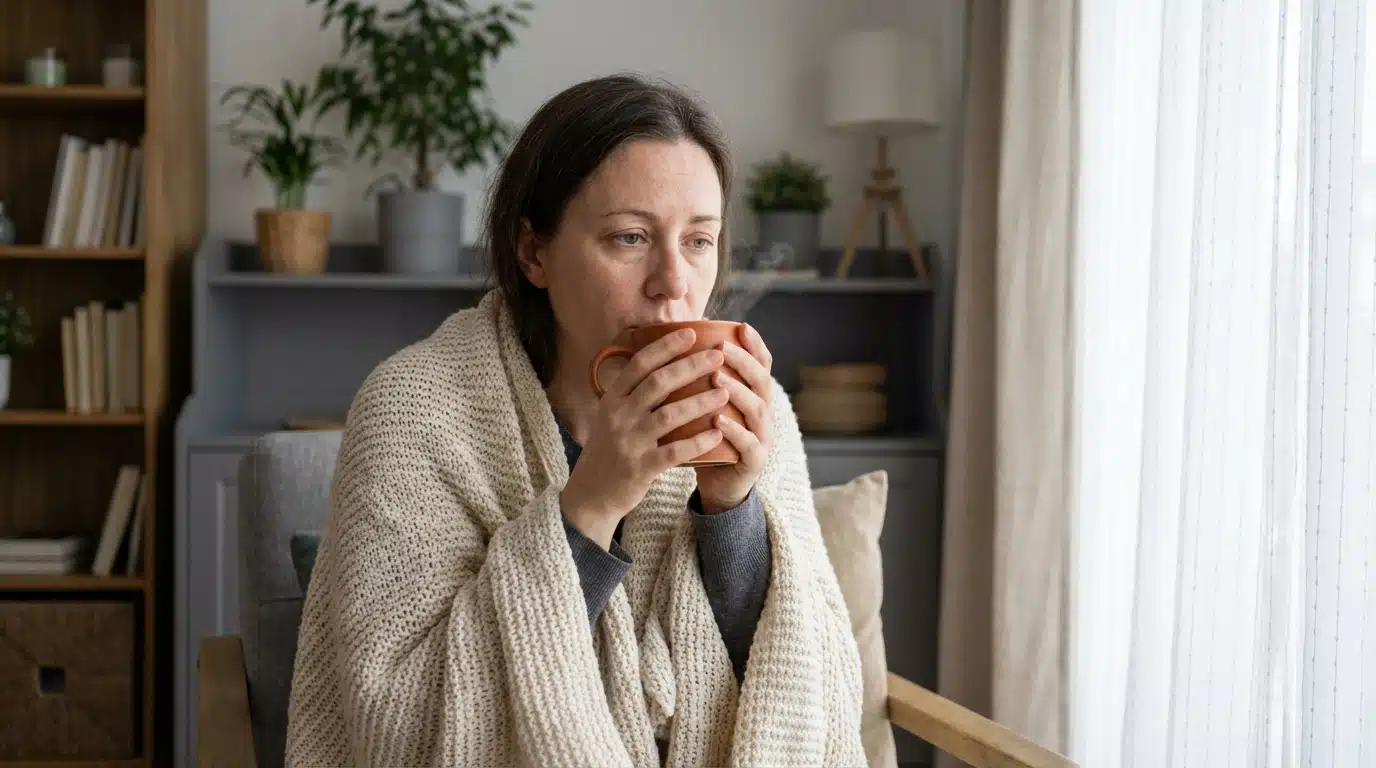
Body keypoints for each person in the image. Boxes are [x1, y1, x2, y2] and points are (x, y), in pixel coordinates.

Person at [285, 73, 865, 767]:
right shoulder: (414, 411)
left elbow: (819, 703)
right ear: (534, 253)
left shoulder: (756, 407)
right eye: (630, 237)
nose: (674, 282)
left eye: (699, 241)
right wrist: (591, 504)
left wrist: (732, 510)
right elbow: (401, 726)